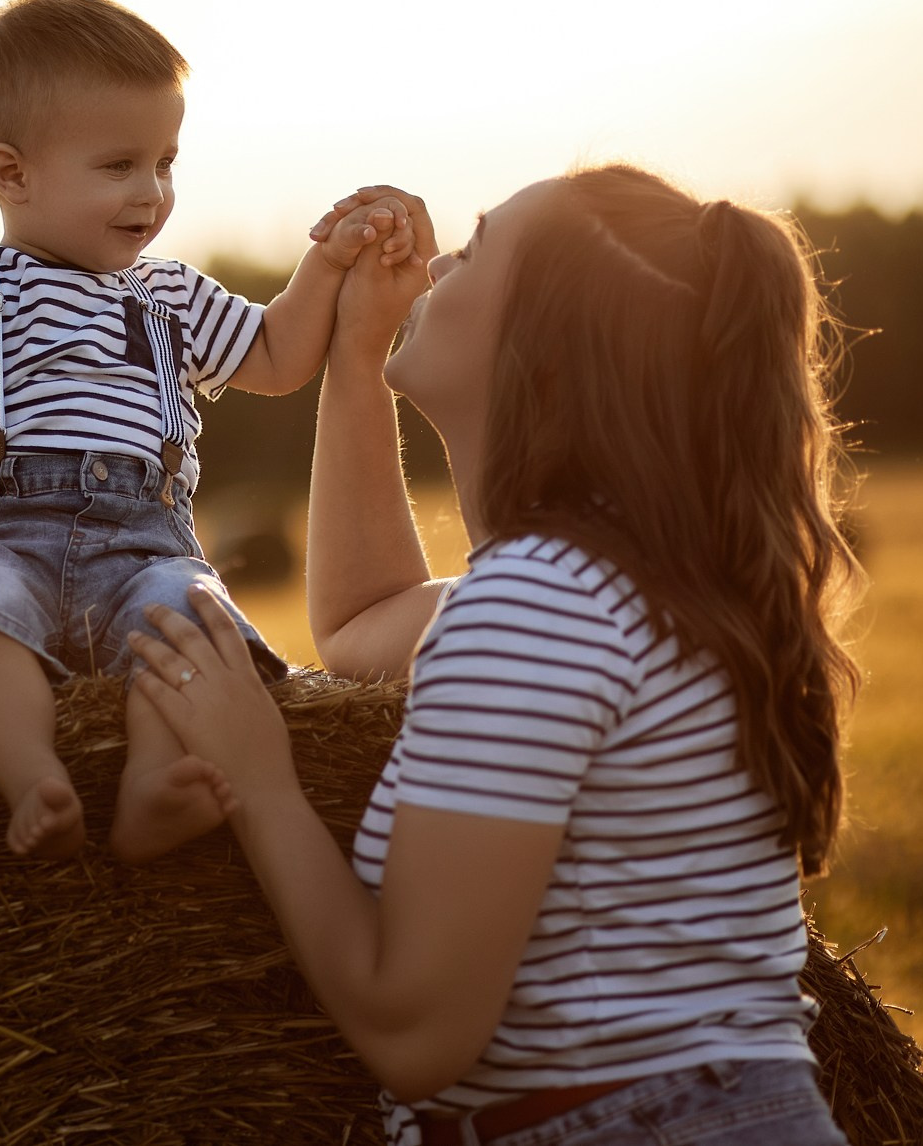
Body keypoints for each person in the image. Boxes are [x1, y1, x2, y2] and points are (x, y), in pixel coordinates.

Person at [129, 166, 860, 1145]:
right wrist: (356, 352)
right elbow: (362, 620)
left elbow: (413, 1028)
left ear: (541, 346)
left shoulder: (540, 602)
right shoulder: (623, 583)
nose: (432, 262)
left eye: (471, 249)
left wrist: (259, 780)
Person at [0, 0, 409, 861]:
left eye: (166, 162)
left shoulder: (171, 293)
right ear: (12, 173)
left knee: (194, 622)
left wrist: (325, 263)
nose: (152, 193)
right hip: (2, 533)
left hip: (148, 545)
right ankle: (31, 773)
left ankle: (154, 777)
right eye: (118, 167)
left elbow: (276, 355)